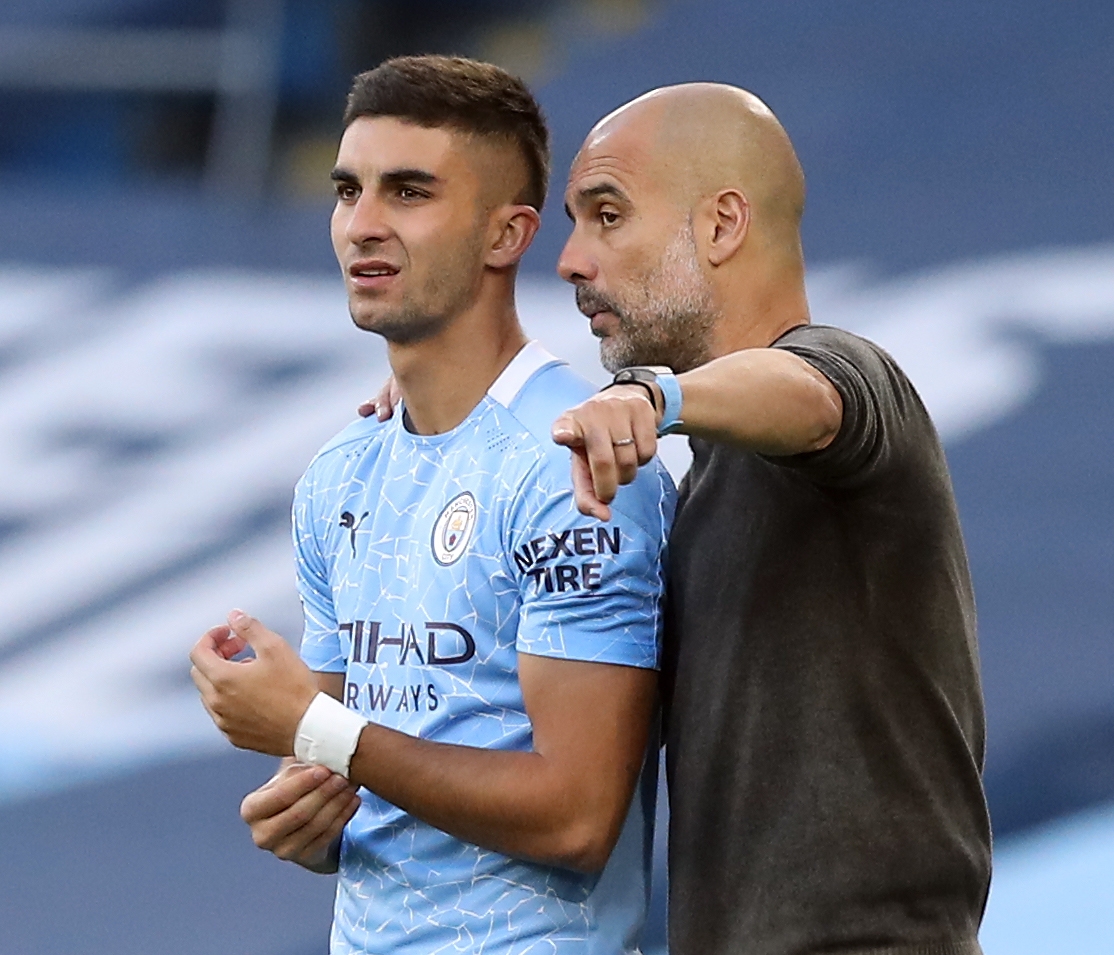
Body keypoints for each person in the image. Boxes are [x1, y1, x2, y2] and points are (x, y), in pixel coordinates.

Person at [189, 56, 675, 955]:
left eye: (409, 193)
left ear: (506, 235)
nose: (362, 226)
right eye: (347, 191)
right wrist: (308, 820)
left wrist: (314, 726)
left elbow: (578, 818)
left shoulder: (576, 466)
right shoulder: (342, 475)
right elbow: (344, 766)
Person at [549, 84, 992, 955]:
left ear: (721, 226)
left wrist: (656, 393)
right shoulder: (698, 498)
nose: (569, 258)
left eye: (607, 214)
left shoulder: (852, 384)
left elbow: (812, 397)